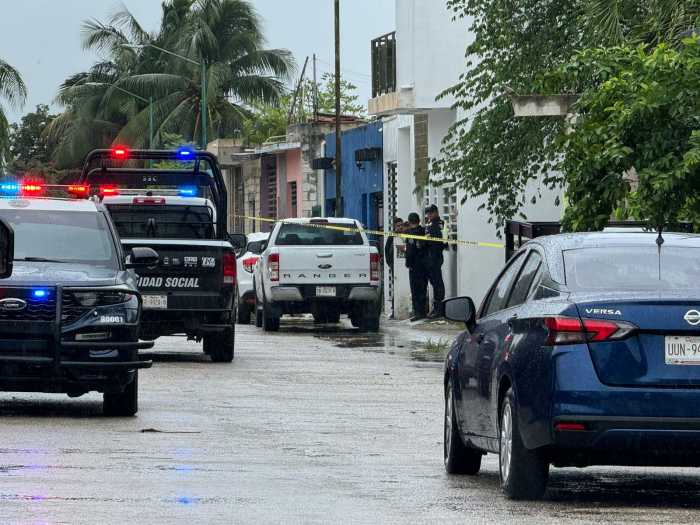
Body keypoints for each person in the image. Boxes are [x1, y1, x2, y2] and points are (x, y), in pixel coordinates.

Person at [424, 204, 446, 319]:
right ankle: (436, 308)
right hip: (430, 257)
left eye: (431, 213)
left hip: (436, 257)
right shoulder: (429, 225)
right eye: (428, 213)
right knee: (434, 282)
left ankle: (439, 309)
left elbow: (442, 241)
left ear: (436, 212)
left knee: (437, 283)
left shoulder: (440, 224)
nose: (429, 215)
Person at [405, 212, 428, 322]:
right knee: (423, 288)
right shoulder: (424, 231)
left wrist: (408, 264)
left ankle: (418, 313)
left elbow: (410, 251)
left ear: (409, 222)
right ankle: (423, 312)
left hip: (414, 265)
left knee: (415, 289)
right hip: (424, 264)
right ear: (419, 220)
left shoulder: (411, 233)